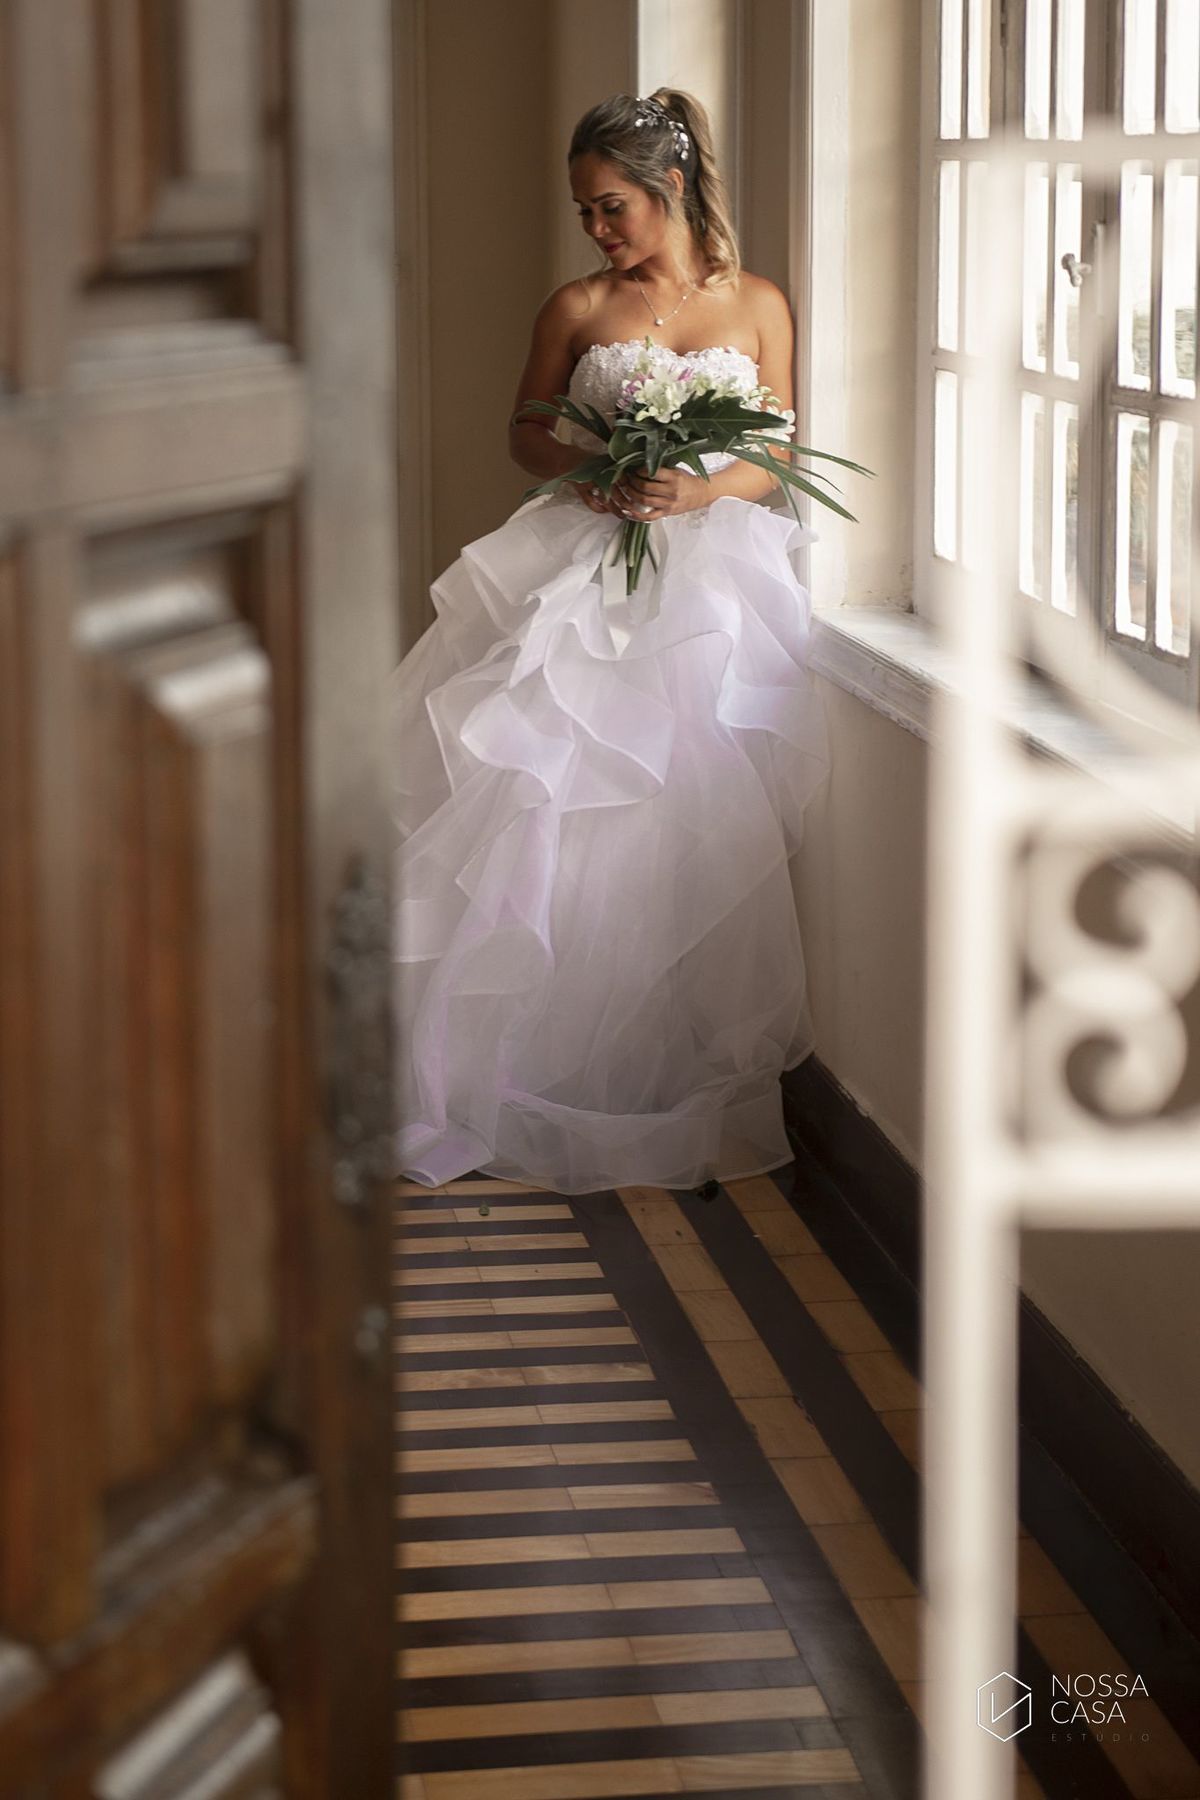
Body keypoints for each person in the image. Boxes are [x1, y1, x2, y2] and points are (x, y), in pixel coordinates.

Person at [393, 88, 831, 1195]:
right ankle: (497, 1067)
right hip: (579, 572)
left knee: (676, 819)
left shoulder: (761, 303)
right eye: (586, 211)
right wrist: (596, 474)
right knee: (539, 804)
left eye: (612, 206)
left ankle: (639, 1076)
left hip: (711, 594)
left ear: (670, 188)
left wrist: (699, 489)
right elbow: (525, 429)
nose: (597, 230)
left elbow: (780, 451)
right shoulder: (577, 305)